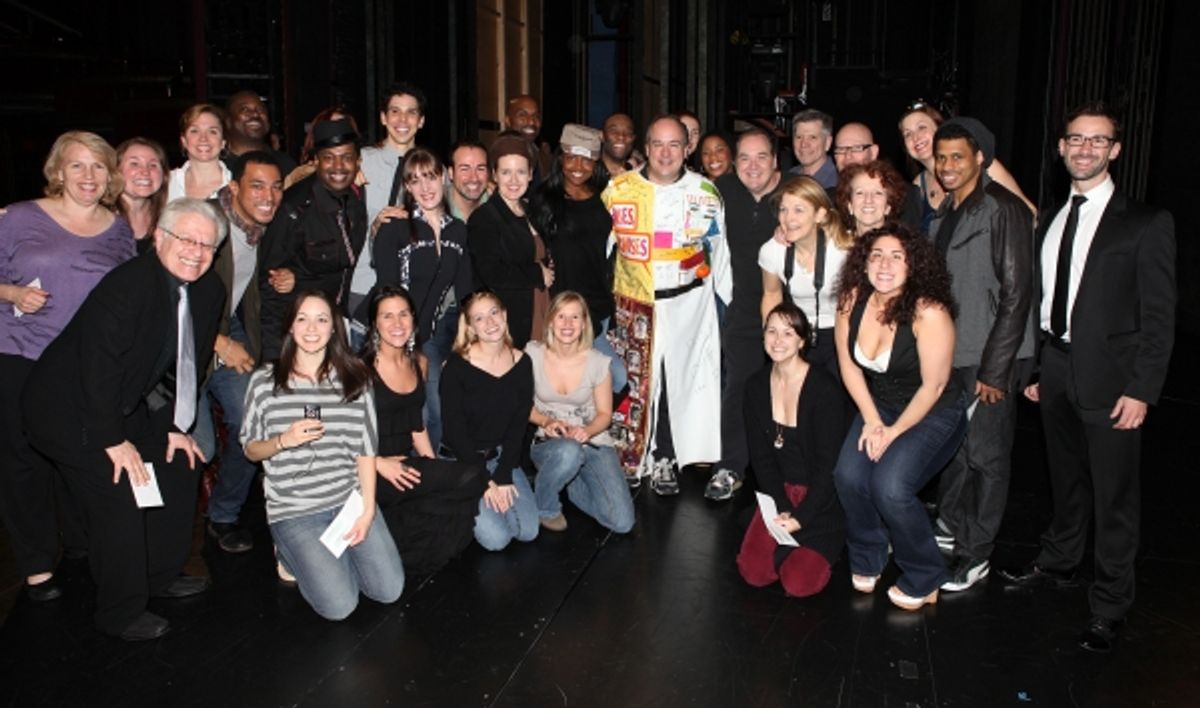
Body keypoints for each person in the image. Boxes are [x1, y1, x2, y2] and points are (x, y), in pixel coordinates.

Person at [1000, 101, 1176, 653]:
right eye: (1076, 139)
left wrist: (1142, 389)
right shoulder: (1050, 216)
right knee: (1066, 480)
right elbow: (1038, 299)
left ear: (1115, 150)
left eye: (1098, 141)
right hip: (1054, 368)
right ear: (1061, 148)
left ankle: (1109, 606)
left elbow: (1159, 316)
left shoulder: (1147, 222)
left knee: (1115, 499)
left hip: (1113, 383)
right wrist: (1033, 368)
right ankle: (1059, 562)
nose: (1085, 149)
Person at [22, 198, 226, 640]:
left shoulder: (209, 290)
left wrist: (175, 427)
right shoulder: (128, 286)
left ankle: (160, 576)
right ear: (159, 238)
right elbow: (98, 367)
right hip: (66, 407)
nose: (196, 250)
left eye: (207, 244)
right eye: (185, 239)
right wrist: (112, 440)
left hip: (127, 399)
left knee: (179, 466)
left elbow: (186, 362)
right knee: (121, 490)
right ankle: (120, 609)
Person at [0, 131, 135, 604]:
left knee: (77, 454)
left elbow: (127, 296)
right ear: (58, 171)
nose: (89, 176)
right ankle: (36, 563)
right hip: (20, 351)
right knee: (21, 460)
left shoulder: (118, 227)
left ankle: (78, 545)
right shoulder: (17, 217)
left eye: (99, 166)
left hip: (82, 362)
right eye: (77, 166)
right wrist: (13, 293)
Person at [241, 289, 404, 620]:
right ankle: (289, 553)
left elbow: (366, 449)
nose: (312, 328)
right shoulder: (264, 382)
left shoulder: (355, 378)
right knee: (340, 607)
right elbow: (250, 448)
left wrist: (367, 510)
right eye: (302, 319)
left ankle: (321, 556)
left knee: (389, 590)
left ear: (334, 328)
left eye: (321, 319)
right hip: (296, 509)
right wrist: (282, 441)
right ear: (290, 326)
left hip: (347, 501)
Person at [831, 224, 966, 611]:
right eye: (876, 255)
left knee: (891, 487)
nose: (884, 265)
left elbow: (934, 387)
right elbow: (849, 367)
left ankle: (926, 575)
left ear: (914, 265)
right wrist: (873, 421)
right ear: (863, 262)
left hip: (933, 410)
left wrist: (891, 433)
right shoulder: (852, 299)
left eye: (896, 256)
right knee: (849, 476)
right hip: (881, 404)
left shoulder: (929, 312)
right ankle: (870, 552)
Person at [927, 117, 1034, 593]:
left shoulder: (1001, 208)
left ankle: (977, 553)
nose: (947, 165)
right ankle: (949, 528)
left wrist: (996, 368)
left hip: (989, 354)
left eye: (957, 157)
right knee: (956, 449)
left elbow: (1017, 294)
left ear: (980, 159)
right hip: (955, 351)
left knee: (987, 456)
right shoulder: (951, 208)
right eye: (941, 156)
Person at [603, 114, 731, 494]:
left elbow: (719, 251)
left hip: (691, 300)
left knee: (687, 381)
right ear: (645, 147)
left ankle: (667, 458)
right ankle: (633, 458)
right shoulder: (618, 190)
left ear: (686, 148)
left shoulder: (705, 192)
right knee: (639, 386)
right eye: (657, 144)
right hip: (637, 303)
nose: (665, 152)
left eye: (674, 144)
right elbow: (601, 249)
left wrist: (728, 305)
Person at [360, 286, 487, 574]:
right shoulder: (359, 370)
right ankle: (404, 548)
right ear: (375, 325)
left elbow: (416, 424)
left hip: (405, 465)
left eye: (403, 314)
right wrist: (378, 463)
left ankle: (398, 537)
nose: (397, 324)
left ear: (414, 320)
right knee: (470, 478)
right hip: (367, 470)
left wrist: (431, 464)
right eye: (387, 316)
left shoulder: (419, 362)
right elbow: (339, 433)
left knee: (460, 484)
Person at [194, 151, 284, 553]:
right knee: (201, 445)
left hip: (225, 329)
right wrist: (217, 342)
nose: (269, 195)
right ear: (233, 188)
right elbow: (173, 298)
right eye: (257, 186)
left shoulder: (258, 229)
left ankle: (223, 515)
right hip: (182, 342)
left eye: (275, 186)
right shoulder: (205, 224)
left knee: (253, 418)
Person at [736, 301, 849, 597]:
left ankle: (825, 542)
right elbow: (761, 459)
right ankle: (765, 528)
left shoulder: (824, 389)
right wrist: (782, 506)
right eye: (771, 331)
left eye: (788, 333)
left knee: (799, 584)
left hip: (820, 498)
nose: (777, 340)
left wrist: (801, 517)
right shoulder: (755, 387)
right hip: (779, 494)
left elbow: (829, 467)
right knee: (754, 573)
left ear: (802, 340)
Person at [373, 147, 473, 450]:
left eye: (430, 177)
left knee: (434, 416)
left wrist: (468, 344)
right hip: (384, 336)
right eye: (415, 180)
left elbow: (466, 290)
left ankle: (430, 481)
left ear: (443, 177)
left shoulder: (457, 230)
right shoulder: (394, 227)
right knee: (387, 418)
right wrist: (401, 345)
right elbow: (386, 293)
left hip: (425, 337)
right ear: (406, 186)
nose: (425, 188)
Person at [707, 127, 782, 501]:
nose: (753, 166)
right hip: (740, 313)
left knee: (786, 394)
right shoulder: (722, 193)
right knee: (736, 389)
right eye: (745, 158)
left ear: (775, 161)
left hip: (788, 317)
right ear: (734, 164)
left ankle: (788, 474)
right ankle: (731, 466)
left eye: (762, 157)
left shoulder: (794, 195)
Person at [258, 118, 367, 360]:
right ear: (316, 161)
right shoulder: (293, 207)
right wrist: (274, 358)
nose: (338, 166)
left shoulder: (357, 202)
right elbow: (270, 286)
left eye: (347, 157)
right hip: (297, 331)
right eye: (329, 157)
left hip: (335, 324)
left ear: (358, 162)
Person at [526, 292, 634, 534]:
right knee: (568, 452)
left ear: (584, 323)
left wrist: (586, 431)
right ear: (550, 320)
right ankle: (545, 506)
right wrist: (546, 421)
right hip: (550, 442)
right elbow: (521, 405)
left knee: (622, 523)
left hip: (592, 440)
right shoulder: (532, 354)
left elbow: (605, 415)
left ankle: (574, 487)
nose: (567, 324)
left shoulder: (599, 363)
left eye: (575, 317)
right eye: (561, 316)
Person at [439, 290, 538, 551]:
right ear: (470, 327)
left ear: (504, 314)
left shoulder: (522, 362)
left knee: (528, 531)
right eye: (479, 318)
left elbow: (518, 425)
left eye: (494, 313)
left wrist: (503, 475)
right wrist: (484, 481)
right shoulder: (456, 366)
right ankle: (455, 500)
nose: (490, 323)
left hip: (501, 457)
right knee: (497, 540)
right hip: (463, 461)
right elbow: (454, 431)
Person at [529, 124, 624, 389]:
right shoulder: (544, 199)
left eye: (586, 158)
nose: (578, 166)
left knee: (602, 382)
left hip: (600, 305)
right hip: (564, 309)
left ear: (596, 161)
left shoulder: (607, 196)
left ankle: (581, 427)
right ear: (561, 157)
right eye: (571, 157)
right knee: (612, 378)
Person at [759, 176, 853, 375]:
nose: (788, 219)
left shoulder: (843, 250)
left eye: (798, 210)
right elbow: (771, 294)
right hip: (797, 333)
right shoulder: (772, 251)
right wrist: (775, 336)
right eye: (783, 210)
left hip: (840, 331)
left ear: (819, 215)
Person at [898, 100, 1035, 234]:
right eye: (907, 134)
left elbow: (1029, 214)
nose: (915, 137)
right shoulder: (918, 185)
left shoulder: (981, 165)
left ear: (940, 129)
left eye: (921, 127)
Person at [467, 134, 553, 348]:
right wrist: (537, 273)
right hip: (509, 319)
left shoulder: (530, 210)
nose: (514, 180)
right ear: (494, 174)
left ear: (531, 174)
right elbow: (491, 273)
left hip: (539, 307)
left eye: (520, 172)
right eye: (506, 172)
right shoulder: (484, 218)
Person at [361, 83, 428, 311]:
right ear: (383, 118)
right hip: (362, 283)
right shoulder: (360, 162)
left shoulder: (434, 172)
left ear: (421, 121)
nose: (403, 120)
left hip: (412, 290)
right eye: (395, 111)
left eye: (411, 112)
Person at [224, 90, 298, 177]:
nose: (255, 114)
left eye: (260, 109)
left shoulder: (285, 164)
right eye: (245, 109)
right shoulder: (216, 166)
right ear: (228, 122)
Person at [167, 103, 231, 200]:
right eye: (195, 131)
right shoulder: (166, 183)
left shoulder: (236, 184)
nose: (203, 138)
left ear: (223, 142)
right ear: (184, 140)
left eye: (212, 131)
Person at [115, 137, 169, 253]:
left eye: (153, 165)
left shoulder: (168, 222)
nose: (145, 171)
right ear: (116, 171)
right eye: (134, 164)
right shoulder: (99, 219)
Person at [836, 160, 909, 237]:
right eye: (860, 193)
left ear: (888, 206)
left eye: (878, 193)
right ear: (849, 205)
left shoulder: (902, 246)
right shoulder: (834, 246)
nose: (868, 200)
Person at [505, 94, 554, 182]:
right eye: (522, 115)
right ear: (508, 121)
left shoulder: (543, 156)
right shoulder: (498, 157)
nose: (531, 122)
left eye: (536, 116)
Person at [786, 109, 838, 190]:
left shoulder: (839, 183)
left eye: (812, 137)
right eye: (799, 137)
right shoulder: (788, 178)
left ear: (828, 143)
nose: (803, 144)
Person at [446, 140, 491, 222]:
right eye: (465, 169)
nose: (474, 178)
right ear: (451, 173)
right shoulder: (436, 208)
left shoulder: (498, 208)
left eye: (480, 169)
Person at [600, 112, 644, 176]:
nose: (621, 136)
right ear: (602, 136)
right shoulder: (587, 173)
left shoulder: (641, 175)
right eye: (613, 131)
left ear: (633, 138)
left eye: (628, 132)